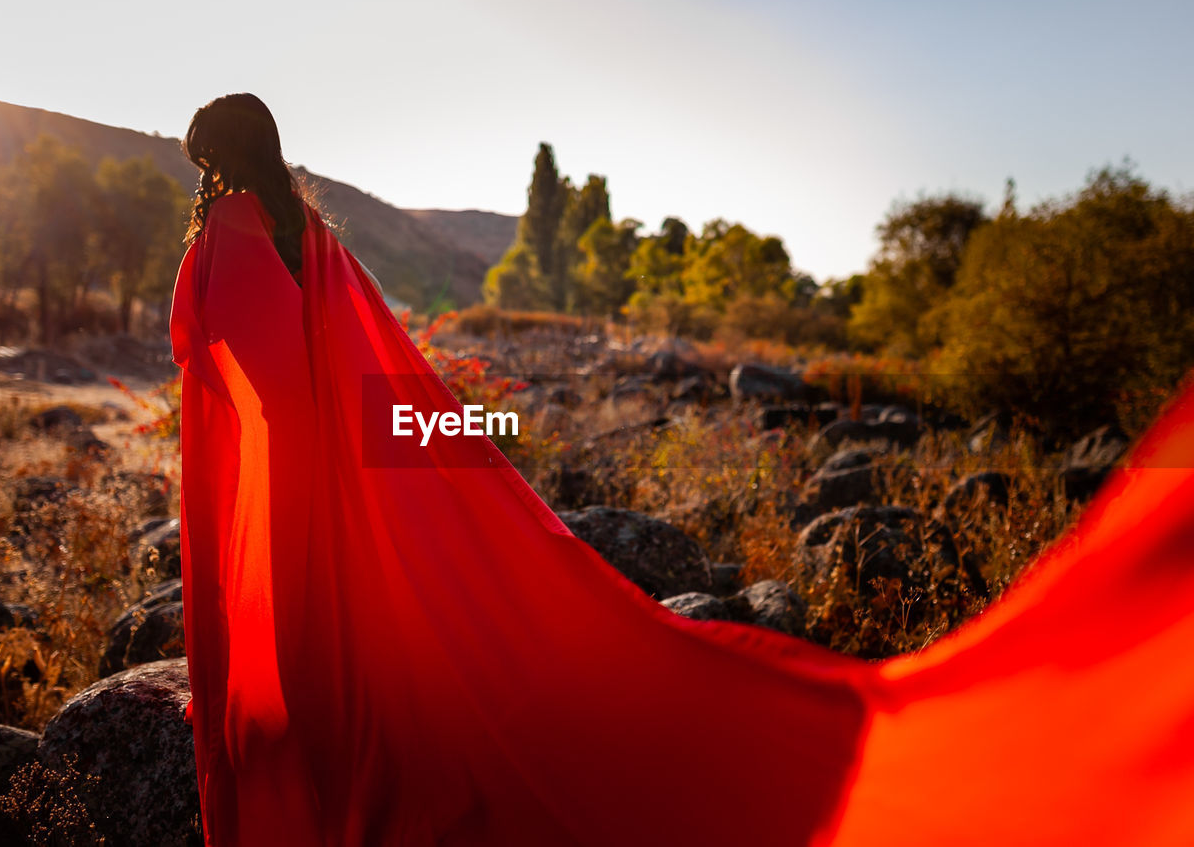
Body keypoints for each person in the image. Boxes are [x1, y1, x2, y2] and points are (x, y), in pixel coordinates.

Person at [170, 93, 1194, 846]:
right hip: (352, 469)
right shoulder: (314, 230)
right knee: (367, 649)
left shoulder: (231, 232)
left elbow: (253, 379)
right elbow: (387, 388)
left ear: (215, 156)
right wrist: (477, 441)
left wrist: (340, 458)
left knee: (301, 673)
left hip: (289, 480)